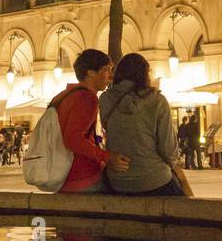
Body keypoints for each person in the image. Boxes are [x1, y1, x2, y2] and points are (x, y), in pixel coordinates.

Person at [98, 53, 185, 196]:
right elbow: (168, 148)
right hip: (154, 179)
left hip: (117, 180)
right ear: (144, 74)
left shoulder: (105, 99)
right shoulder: (157, 100)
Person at [51, 48, 129, 193]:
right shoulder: (87, 98)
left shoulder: (64, 95)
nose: (111, 76)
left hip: (64, 177)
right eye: (106, 70)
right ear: (90, 72)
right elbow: (73, 138)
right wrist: (107, 157)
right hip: (83, 177)